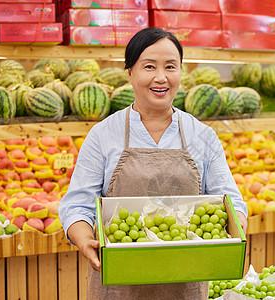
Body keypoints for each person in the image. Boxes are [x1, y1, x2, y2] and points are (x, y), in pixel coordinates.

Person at [59, 27, 248, 300]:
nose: (161, 78)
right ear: (130, 73)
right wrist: (84, 238)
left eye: (171, 67)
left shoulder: (201, 136)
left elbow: (231, 201)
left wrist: (233, 232)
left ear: (181, 72)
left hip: (186, 280)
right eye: (149, 66)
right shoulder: (103, 135)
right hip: (119, 284)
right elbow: (77, 205)